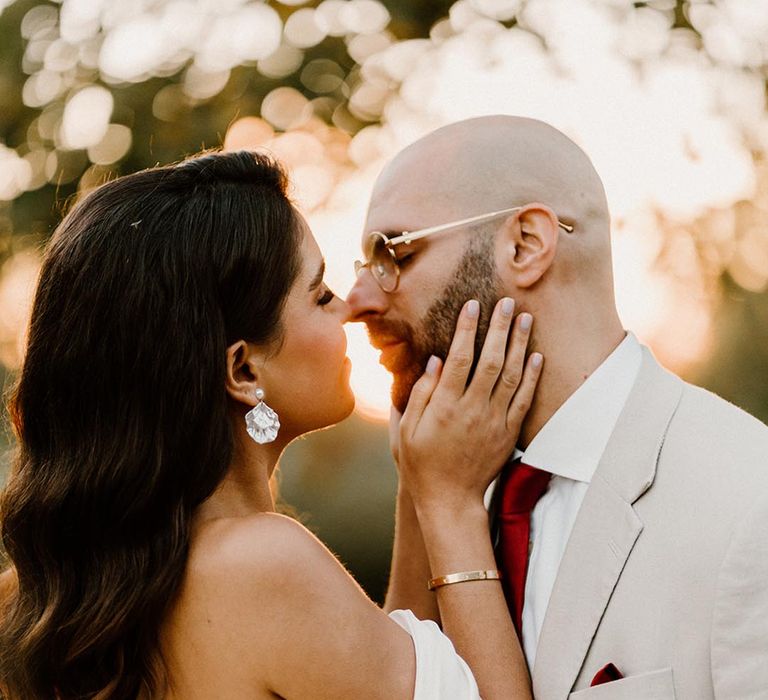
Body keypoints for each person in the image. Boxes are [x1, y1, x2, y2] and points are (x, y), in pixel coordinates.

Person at [0, 150, 542, 699]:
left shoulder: (29, 601)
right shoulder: (264, 563)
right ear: (242, 368)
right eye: (320, 294)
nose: (349, 309)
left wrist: (417, 485)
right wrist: (451, 503)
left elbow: (383, 672)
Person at [347, 115, 768, 699]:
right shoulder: (449, 484)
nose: (358, 301)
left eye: (392, 253)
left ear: (526, 245)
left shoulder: (750, 503)